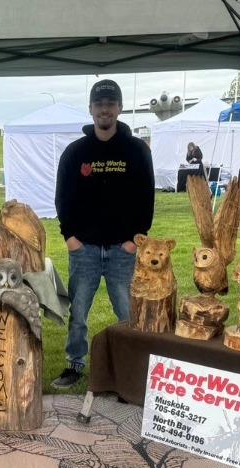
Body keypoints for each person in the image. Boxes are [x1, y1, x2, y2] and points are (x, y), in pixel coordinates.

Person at [52, 79, 155, 389]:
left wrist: (135, 239)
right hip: (83, 249)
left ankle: (132, 367)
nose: (105, 109)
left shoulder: (136, 150)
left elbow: (146, 197)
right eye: (99, 104)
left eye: (110, 104)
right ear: (91, 109)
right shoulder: (76, 152)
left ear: (120, 109)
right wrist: (69, 236)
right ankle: (74, 365)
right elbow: (62, 197)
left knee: (127, 313)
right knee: (79, 312)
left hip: (122, 250)